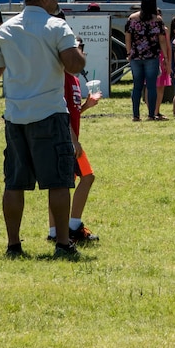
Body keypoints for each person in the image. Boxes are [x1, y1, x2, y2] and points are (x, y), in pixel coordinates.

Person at [0, 0, 86, 259]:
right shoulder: (56, 26)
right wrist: (78, 48)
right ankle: (63, 243)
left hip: (16, 116)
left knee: (14, 182)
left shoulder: (5, 29)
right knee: (59, 181)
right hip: (49, 113)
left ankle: (14, 245)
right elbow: (74, 66)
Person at [50, 69, 101, 245]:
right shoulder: (60, 77)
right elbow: (60, 113)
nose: (82, 54)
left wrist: (87, 105)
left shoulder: (74, 80)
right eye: (78, 49)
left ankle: (54, 231)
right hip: (64, 139)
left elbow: (73, 112)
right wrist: (73, 141)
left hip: (69, 138)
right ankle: (73, 227)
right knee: (87, 177)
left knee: (59, 185)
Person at [124, 0, 169, 122]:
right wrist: (165, 57)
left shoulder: (132, 18)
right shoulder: (157, 20)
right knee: (151, 86)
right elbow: (162, 40)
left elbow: (127, 36)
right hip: (152, 56)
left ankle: (136, 115)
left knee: (137, 86)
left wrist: (129, 52)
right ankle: (151, 114)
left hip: (135, 56)